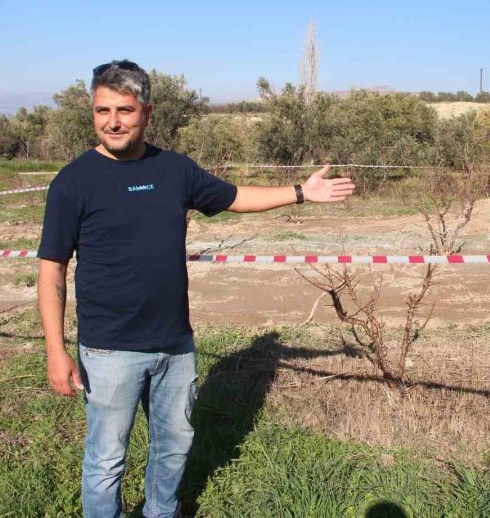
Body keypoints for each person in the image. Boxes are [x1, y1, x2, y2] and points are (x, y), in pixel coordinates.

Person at [37, 59, 354, 518]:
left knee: (174, 448)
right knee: (106, 459)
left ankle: (160, 513)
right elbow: (51, 271)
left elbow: (235, 197)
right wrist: (55, 348)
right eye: (102, 110)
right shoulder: (73, 182)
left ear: (147, 113)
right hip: (108, 350)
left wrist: (301, 193)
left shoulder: (175, 170)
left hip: (176, 345)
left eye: (124, 110)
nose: (112, 121)